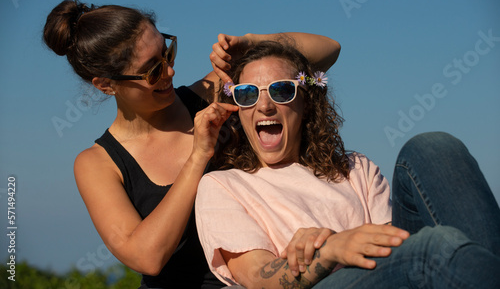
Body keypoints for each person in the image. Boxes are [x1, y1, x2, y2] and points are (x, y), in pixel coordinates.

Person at [42, 0, 341, 289]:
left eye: (167, 53)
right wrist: (198, 156)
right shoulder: (97, 163)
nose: (170, 72)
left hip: (267, 275)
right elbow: (147, 257)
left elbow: (327, 51)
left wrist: (253, 45)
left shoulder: (209, 93)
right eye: (152, 71)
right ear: (106, 85)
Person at [195, 41, 500, 288]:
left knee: (433, 146)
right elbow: (259, 279)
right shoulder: (223, 185)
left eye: (282, 90)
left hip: (380, 275)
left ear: (306, 101)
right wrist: (330, 250)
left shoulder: (355, 168)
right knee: (435, 245)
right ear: (237, 108)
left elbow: (393, 251)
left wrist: (249, 40)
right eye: (247, 94)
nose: (264, 105)